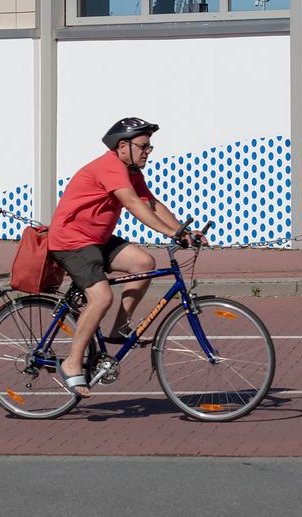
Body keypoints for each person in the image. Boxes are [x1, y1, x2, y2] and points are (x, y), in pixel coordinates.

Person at [48, 116, 199, 398]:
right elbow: (132, 204)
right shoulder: (110, 167)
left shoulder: (131, 172)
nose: (147, 152)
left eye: (149, 147)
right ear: (122, 147)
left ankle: (118, 328)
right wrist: (170, 234)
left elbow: (150, 203)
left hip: (98, 240)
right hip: (72, 240)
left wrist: (182, 230)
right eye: (143, 146)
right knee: (101, 297)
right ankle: (71, 362)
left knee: (143, 263)